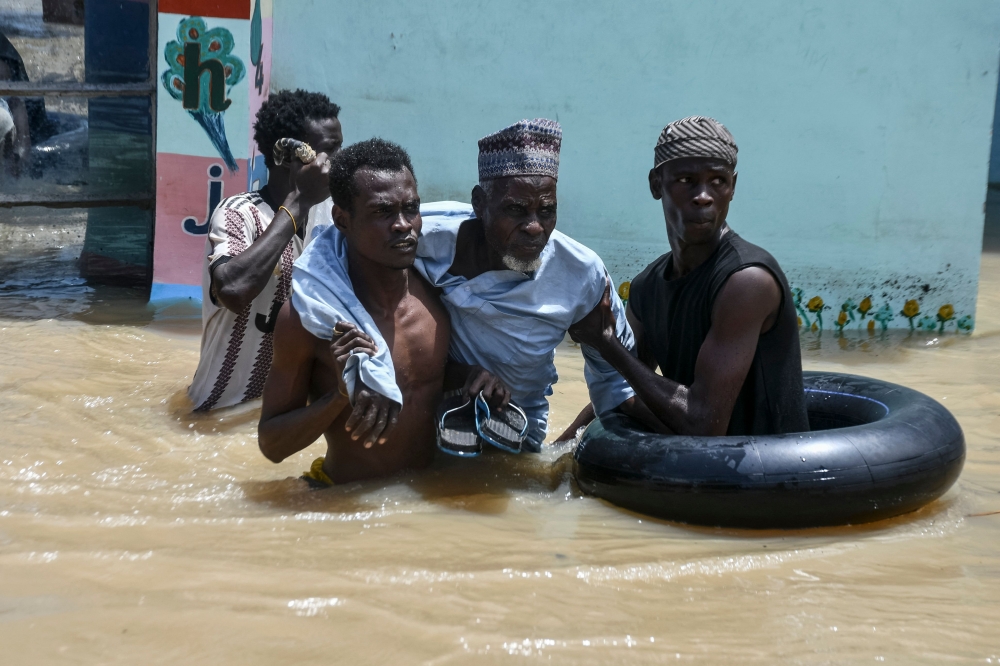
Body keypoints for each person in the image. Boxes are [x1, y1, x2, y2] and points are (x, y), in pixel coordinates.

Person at [413, 119, 659, 451]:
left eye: (547, 211)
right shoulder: (419, 237)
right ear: (479, 204)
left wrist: (559, 453)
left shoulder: (581, 275)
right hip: (420, 419)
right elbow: (342, 244)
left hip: (514, 432)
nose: (534, 227)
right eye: (515, 210)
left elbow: (616, 383)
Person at [567, 116, 809, 436]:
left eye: (718, 181)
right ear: (657, 184)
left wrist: (607, 343)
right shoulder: (647, 288)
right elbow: (625, 384)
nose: (704, 196)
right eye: (686, 180)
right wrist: (559, 447)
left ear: (732, 188)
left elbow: (704, 423)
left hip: (771, 473)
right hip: (697, 469)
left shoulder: (747, 281)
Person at [258, 138, 451, 484]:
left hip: (427, 505)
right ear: (342, 219)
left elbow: (428, 385)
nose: (403, 224)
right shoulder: (309, 319)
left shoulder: (439, 296)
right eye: (382, 212)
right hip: (344, 508)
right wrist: (338, 397)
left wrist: (478, 378)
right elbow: (271, 445)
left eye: (411, 208)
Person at [188, 89, 342, 411]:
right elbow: (232, 290)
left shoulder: (335, 217)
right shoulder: (237, 213)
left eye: (339, 149)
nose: (336, 163)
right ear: (286, 156)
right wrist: (297, 203)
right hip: (217, 415)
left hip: (284, 419)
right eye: (327, 152)